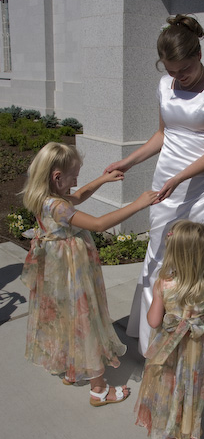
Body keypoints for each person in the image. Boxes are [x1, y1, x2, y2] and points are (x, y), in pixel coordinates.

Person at [104, 14, 204, 364]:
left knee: (203, 261)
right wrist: (128, 162)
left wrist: (181, 178)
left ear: (198, 54)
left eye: (185, 69)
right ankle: (153, 341)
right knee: (159, 255)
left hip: (202, 187)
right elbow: (163, 135)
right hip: (165, 184)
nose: (179, 77)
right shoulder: (165, 85)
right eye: (171, 70)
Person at [21, 142, 158, 406]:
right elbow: (98, 224)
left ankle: (71, 369)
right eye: (73, 176)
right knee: (85, 320)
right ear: (57, 177)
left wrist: (103, 180)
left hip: (56, 274)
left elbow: (80, 195)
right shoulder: (58, 206)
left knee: (66, 318)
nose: (76, 182)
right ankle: (99, 388)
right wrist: (138, 204)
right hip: (72, 272)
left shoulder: (43, 197)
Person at [134, 220, 204, 439]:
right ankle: (182, 430)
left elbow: (153, 321)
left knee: (168, 388)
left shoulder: (163, 284)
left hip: (169, 347)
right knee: (188, 388)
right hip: (196, 348)